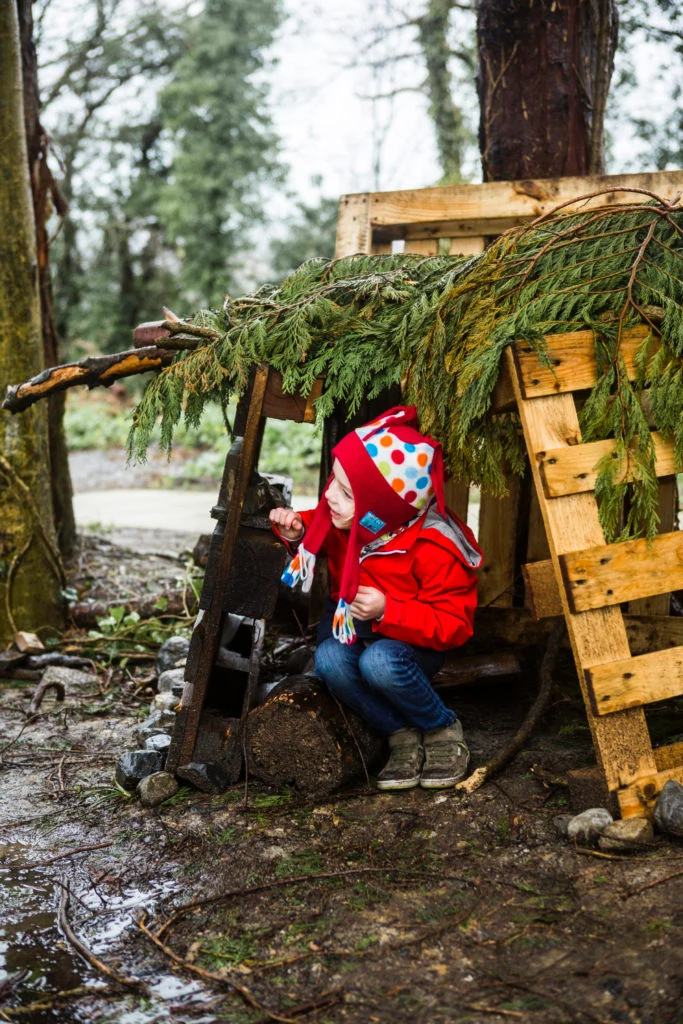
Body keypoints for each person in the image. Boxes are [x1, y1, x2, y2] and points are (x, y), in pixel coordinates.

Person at [269, 405, 483, 791]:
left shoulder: (435, 546)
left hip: (412, 642)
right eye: (333, 481)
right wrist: (298, 531)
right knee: (330, 661)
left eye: (345, 492)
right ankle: (399, 733)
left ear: (378, 512)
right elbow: (317, 525)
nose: (329, 495)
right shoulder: (347, 518)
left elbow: (455, 624)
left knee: (379, 663)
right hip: (352, 626)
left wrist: (390, 609)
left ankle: (440, 728)